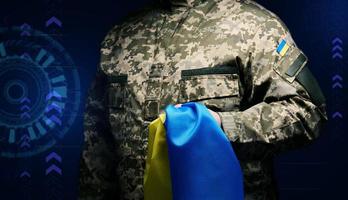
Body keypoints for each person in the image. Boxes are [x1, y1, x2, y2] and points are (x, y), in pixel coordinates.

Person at [79, 0, 327, 199]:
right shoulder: (119, 38)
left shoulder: (253, 26)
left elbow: (307, 111)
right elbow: (97, 145)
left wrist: (221, 126)